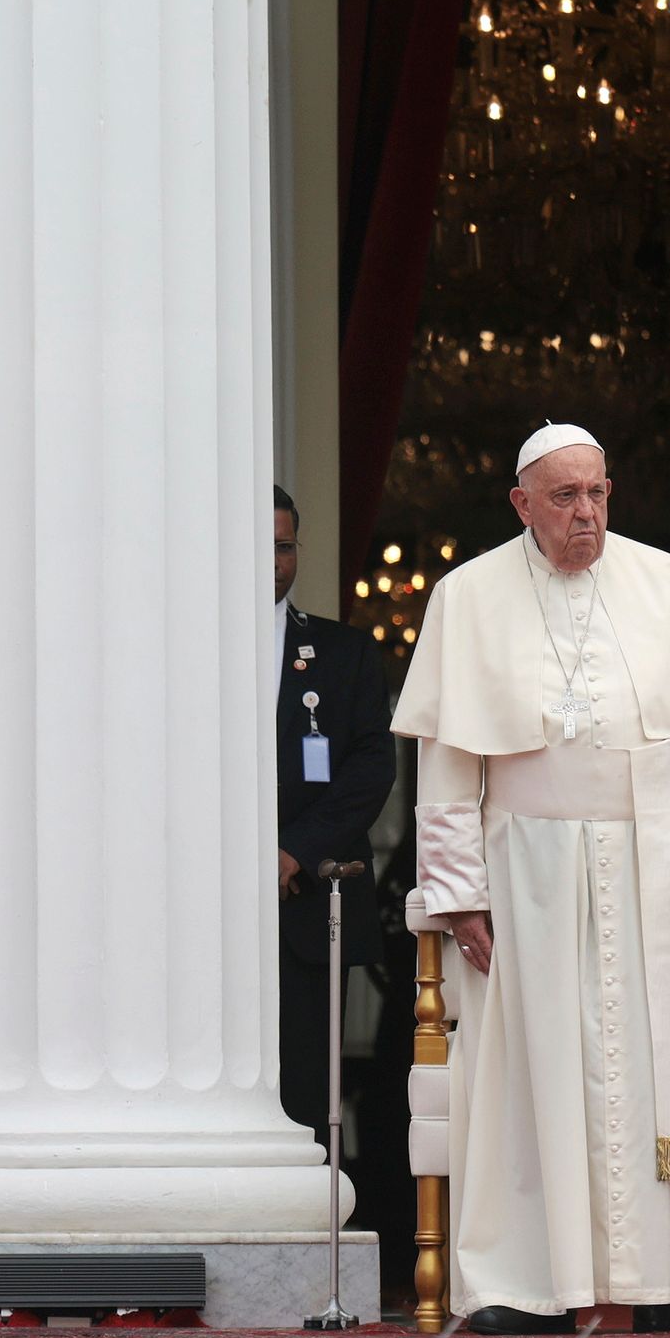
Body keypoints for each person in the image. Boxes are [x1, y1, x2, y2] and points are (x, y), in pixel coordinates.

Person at [395, 426, 670, 1336]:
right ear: (521, 504)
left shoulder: (668, 580)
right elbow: (446, 765)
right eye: (564, 497)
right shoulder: (468, 594)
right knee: (532, 1075)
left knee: (655, 1070)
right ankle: (524, 1283)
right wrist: (458, 891)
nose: (586, 513)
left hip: (665, 864)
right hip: (529, 872)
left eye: (598, 493)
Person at [274, 484, 397, 1142]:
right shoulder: (179, 656)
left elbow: (372, 767)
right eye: (258, 546)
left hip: (307, 905)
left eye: (284, 546)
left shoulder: (344, 654)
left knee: (303, 1107)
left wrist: (292, 850)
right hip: (199, 921)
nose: (271, 560)